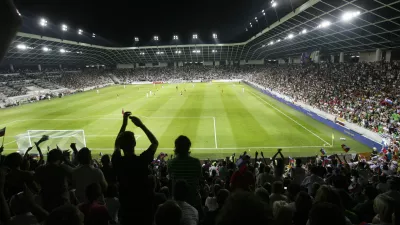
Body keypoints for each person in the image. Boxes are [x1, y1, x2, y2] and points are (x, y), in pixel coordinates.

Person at [112, 111, 158, 225]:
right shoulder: (141, 160)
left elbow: (116, 144)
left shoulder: (117, 161)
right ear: (135, 144)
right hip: (144, 208)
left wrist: (124, 124)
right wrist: (141, 125)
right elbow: (154, 142)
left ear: (121, 146)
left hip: (126, 208)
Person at [168, 136, 202, 211]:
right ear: (188, 147)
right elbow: (199, 179)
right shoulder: (196, 162)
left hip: (177, 203)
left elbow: (171, 180)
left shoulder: (170, 163)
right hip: (193, 201)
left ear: (176, 147)